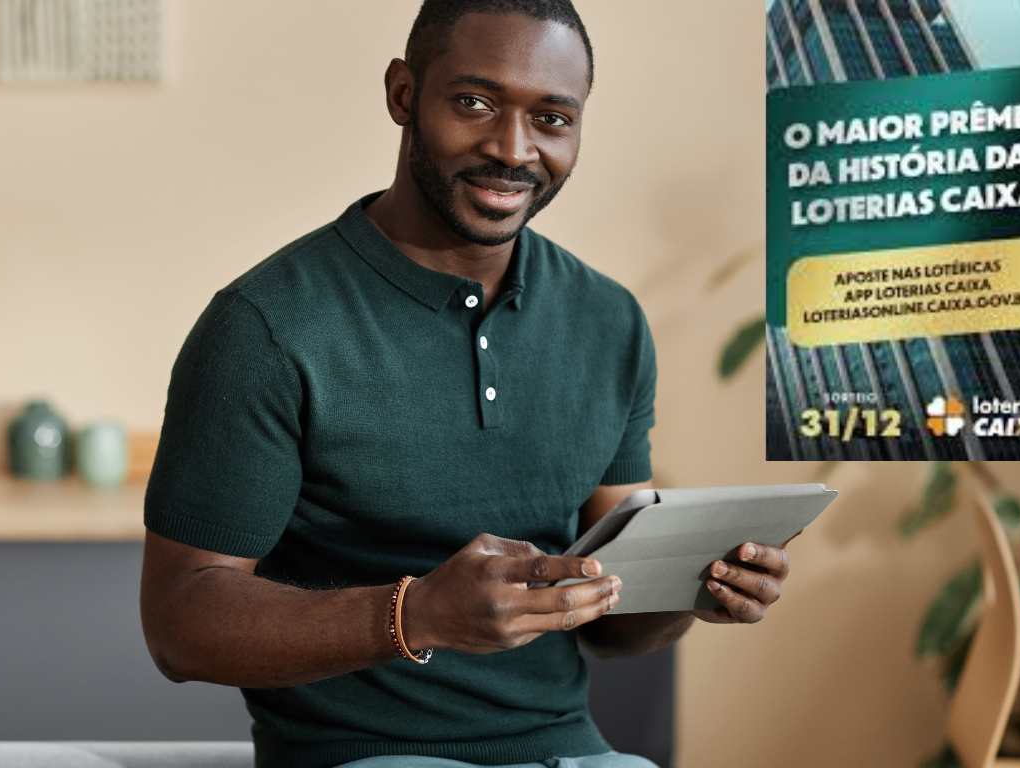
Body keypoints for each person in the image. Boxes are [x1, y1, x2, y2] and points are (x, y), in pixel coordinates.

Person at [140, 2, 794, 767]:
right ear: (403, 94)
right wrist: (415, 615)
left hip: (570, 750)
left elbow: (614, 625)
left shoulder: (608, 320)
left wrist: (693, 589)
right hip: (361, 754)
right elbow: (179, 623)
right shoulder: (267, 328)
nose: (512, 149)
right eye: (476, 103)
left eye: (551, 118)